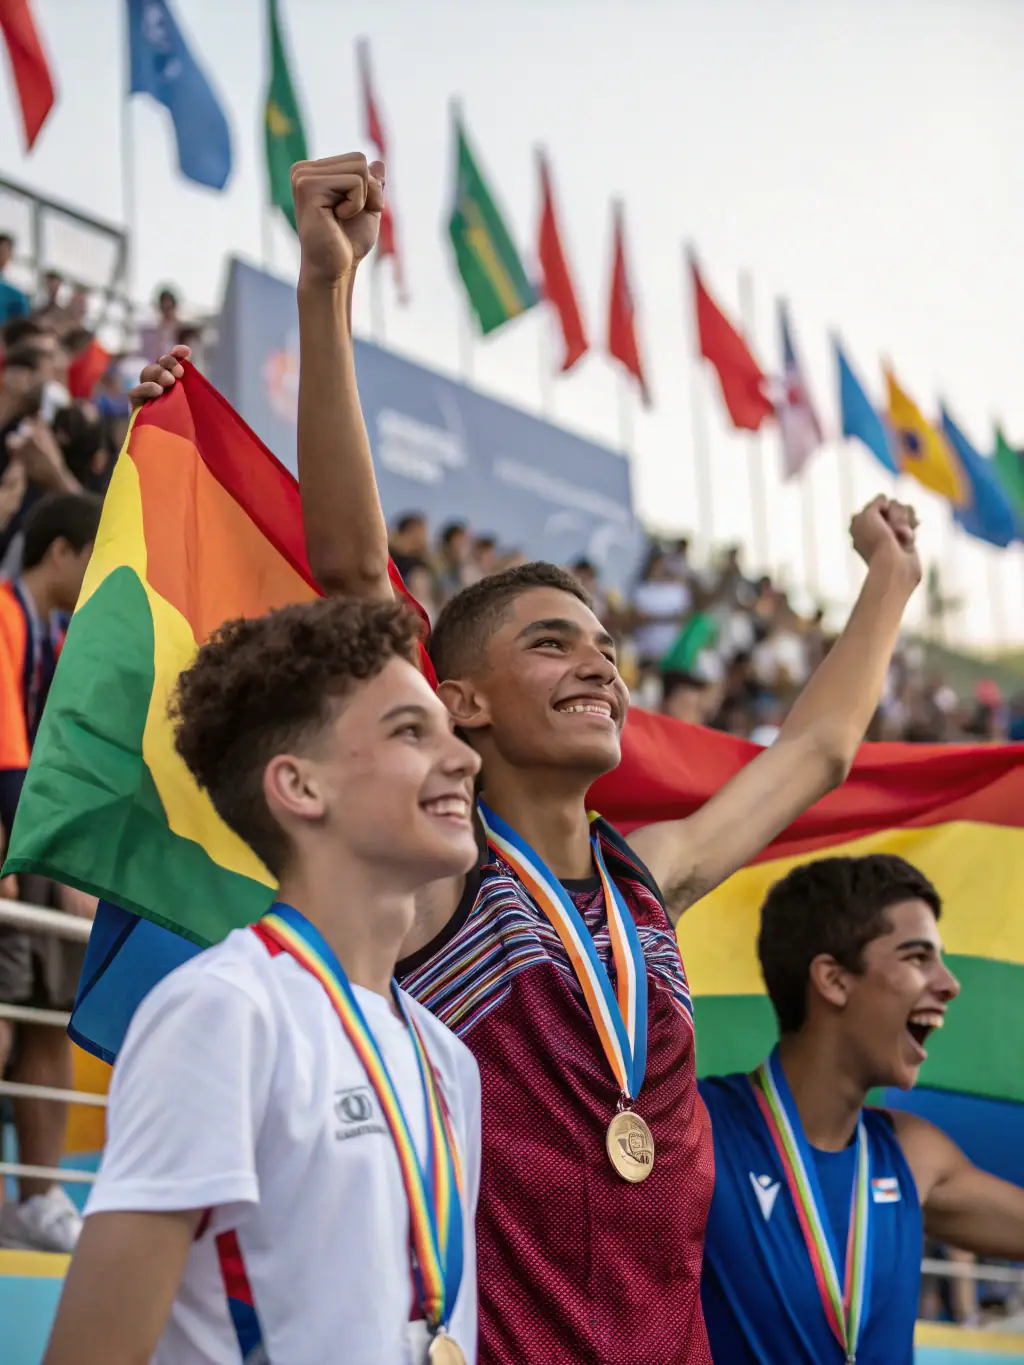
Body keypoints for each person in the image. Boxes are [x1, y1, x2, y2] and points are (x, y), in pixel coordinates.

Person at [134, 153, 922, 1365]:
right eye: (550, 645)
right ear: (458, 705)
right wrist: (324, 291)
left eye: (606, 647)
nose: (600, 666)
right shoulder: (438, 884)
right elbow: (351, 571)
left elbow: (814, 750)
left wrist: (889, 582)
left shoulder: (648, 883)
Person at [43, 597, 483, 1365]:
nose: (466, 758)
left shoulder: (449, 1058)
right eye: (412, 731)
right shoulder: (225, 1011)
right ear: (301, 787)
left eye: (450, 732)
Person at [699, 854, 1024, 1364]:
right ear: (833, 979)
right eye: (918, 957)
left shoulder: (916, 1155)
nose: (950, 984)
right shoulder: (696, 1130)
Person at [0, 492, 102, 1253]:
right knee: (5, 1012)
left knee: (47, 1011)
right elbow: (7, 754)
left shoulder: (60, 634)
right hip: (11, 834)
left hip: (43, 836)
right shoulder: (2, 612)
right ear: (61, 551)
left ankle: (38, 1196)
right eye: (92, 554)